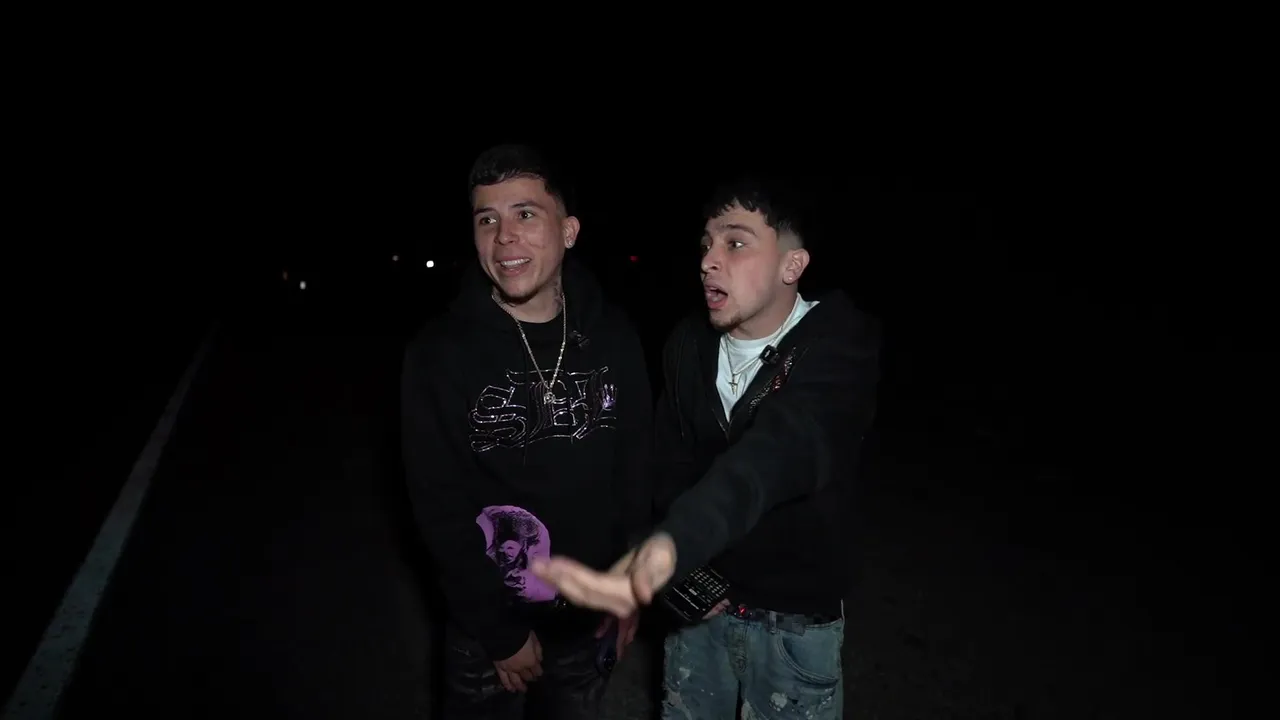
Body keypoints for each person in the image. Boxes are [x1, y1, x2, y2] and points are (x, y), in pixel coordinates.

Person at [533, 176, 881, 719]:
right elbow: (668, 466)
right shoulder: (687, 345)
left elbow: (778, 452)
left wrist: (674, 545)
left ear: (791, 266)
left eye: (735, 243)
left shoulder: (839, 346)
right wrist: (677, 568)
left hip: (793, 621)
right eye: (706, 244)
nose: (708, 261)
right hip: (700, 609)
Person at [401, 144, 652, 719]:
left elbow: (636, 473)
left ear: (569, 230)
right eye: (487, 219)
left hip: (589, 621)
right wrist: (498, 632)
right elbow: (437, 507)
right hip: (487, 629)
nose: (504, 236)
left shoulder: (614, 336)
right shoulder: (439, 355)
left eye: (526, 214)